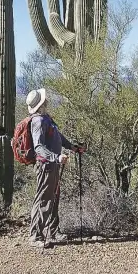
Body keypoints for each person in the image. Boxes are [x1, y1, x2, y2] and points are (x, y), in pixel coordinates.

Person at [26, 87, 86, 247]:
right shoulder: (38, 121)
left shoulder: (46, 118)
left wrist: (72, 147)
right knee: (43, 199)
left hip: (53, 165)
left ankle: (53, 231)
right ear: (41, 103)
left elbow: (58, 137)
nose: (47, 100)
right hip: (45, 166)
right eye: (44, 100)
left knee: (54, 197)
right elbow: (39, 147)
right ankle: (35, 236)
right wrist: (56, 157)